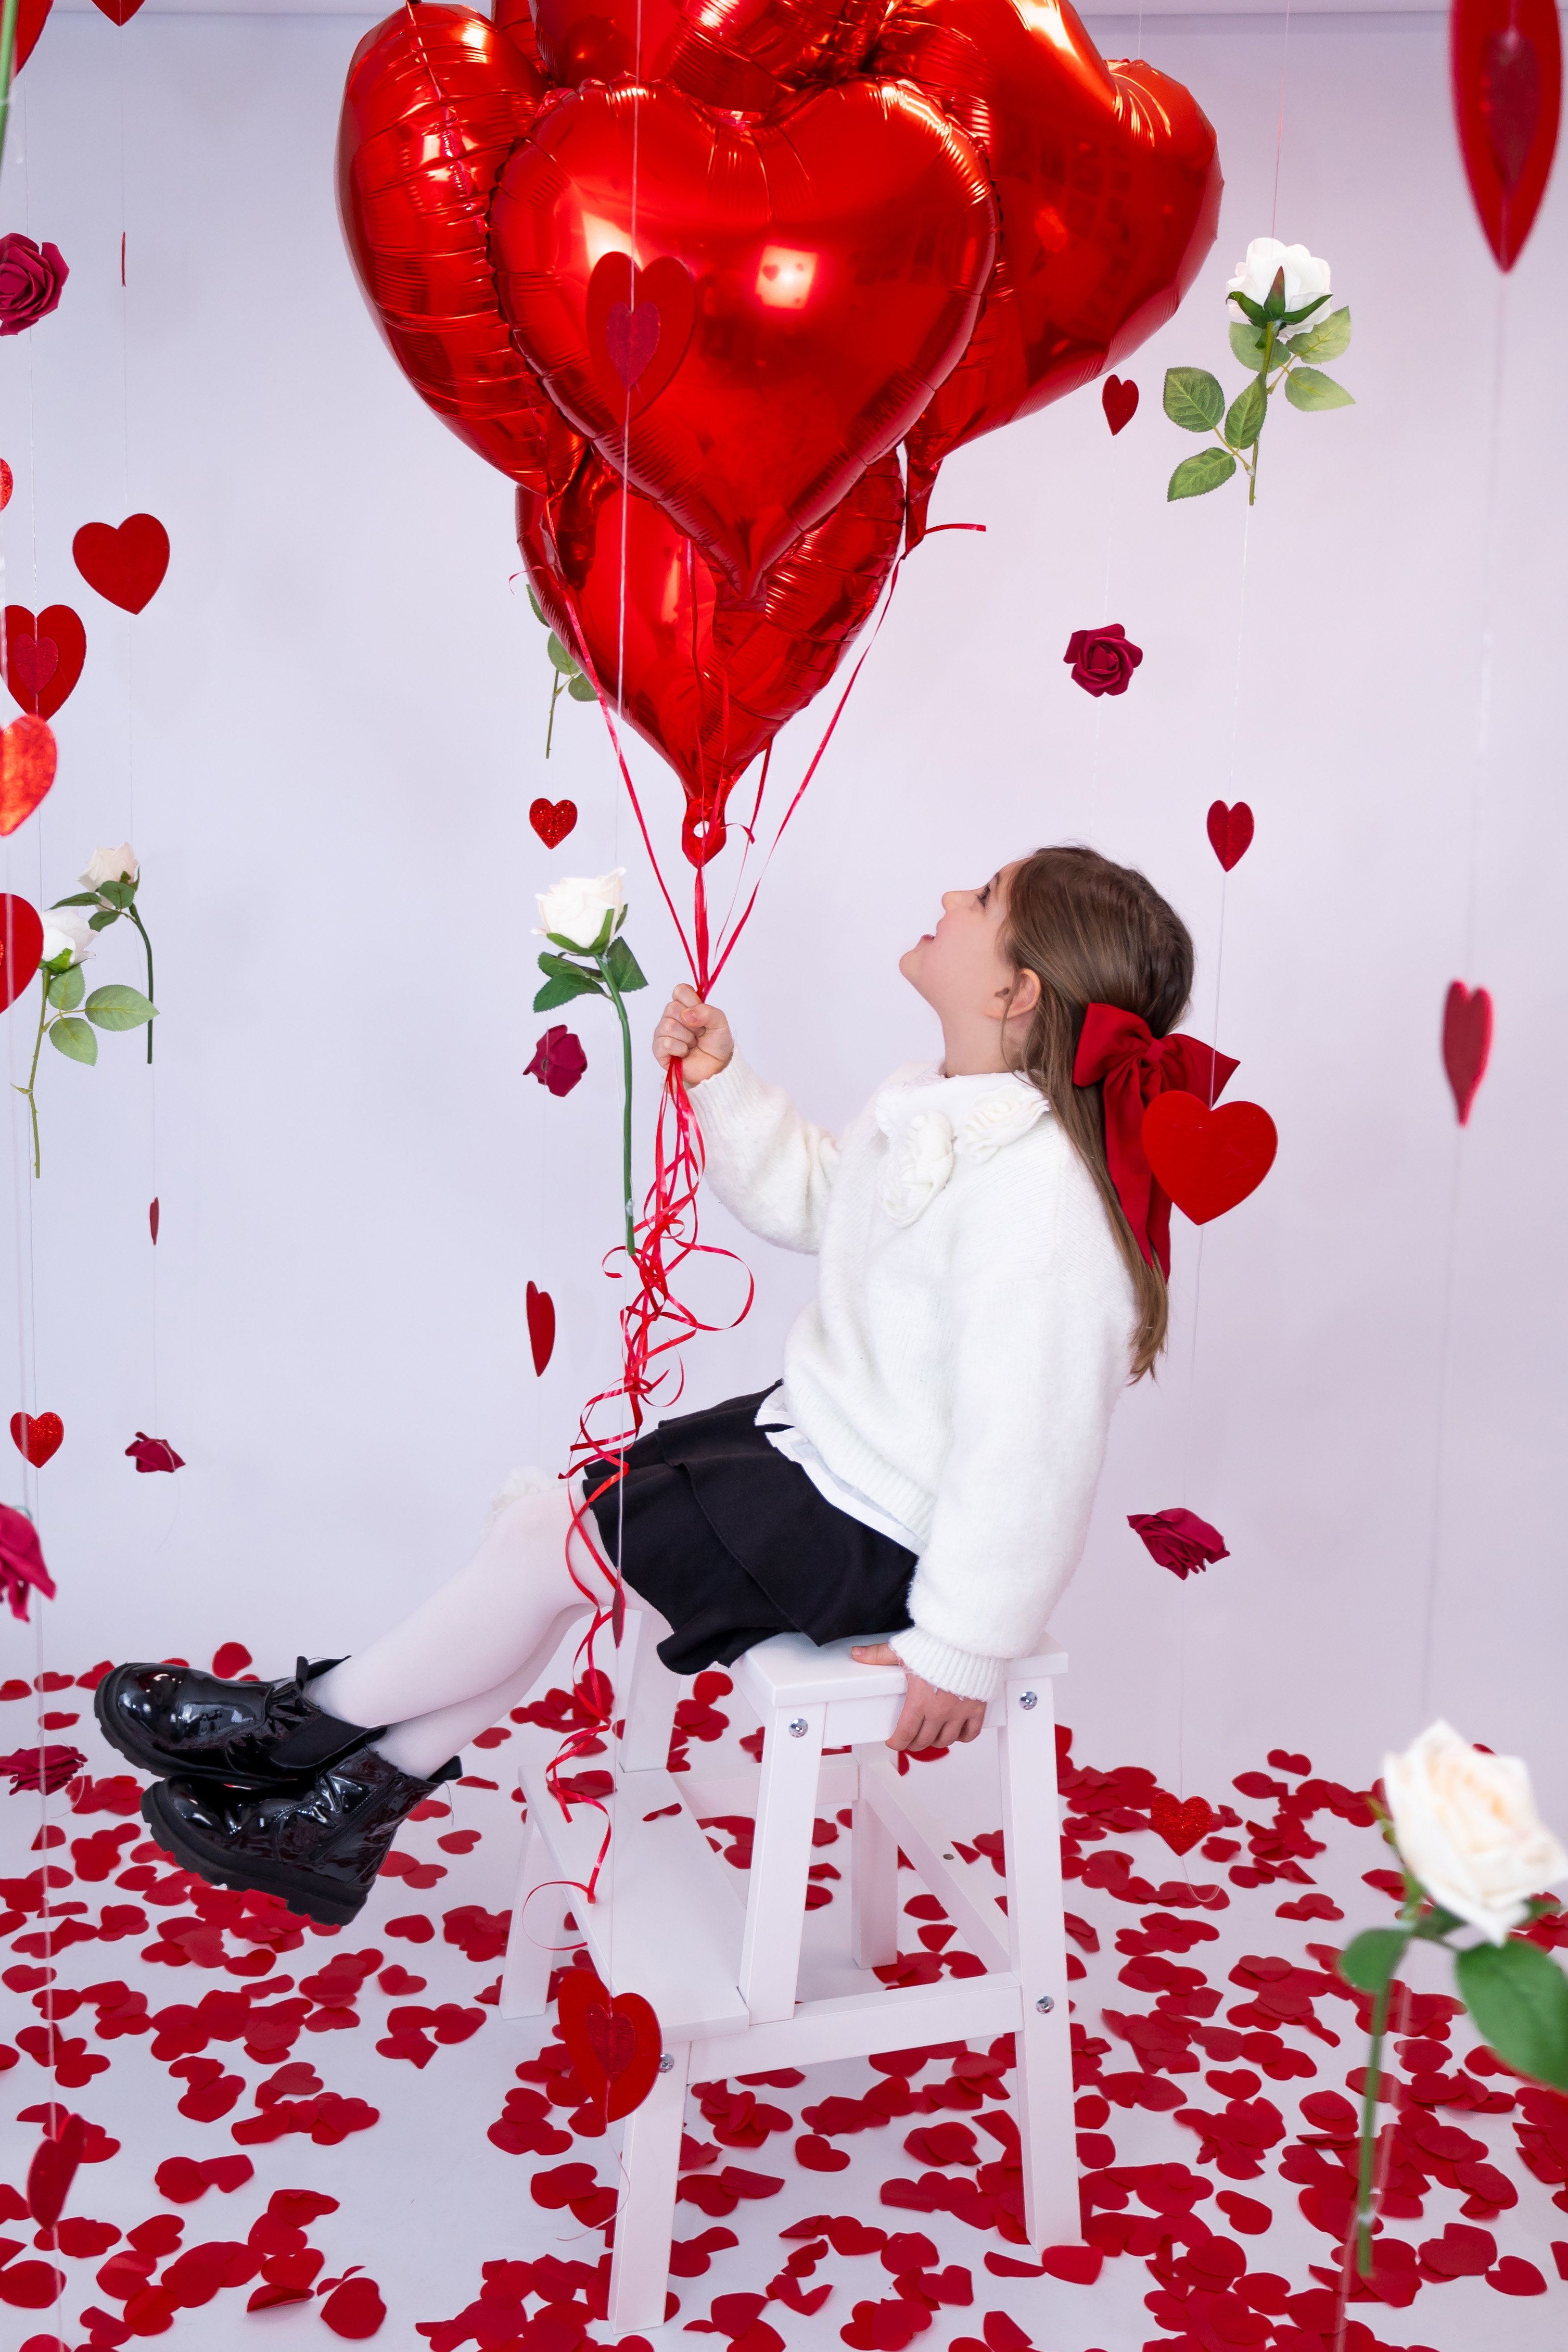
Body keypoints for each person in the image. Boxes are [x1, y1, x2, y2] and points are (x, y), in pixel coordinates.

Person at [96, 844, 1203, 1925]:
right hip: (818, 1445)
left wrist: (963, 1640)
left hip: (885, 1526)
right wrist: (727, 1085)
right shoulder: (932, 1101)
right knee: (551, 1540)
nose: (951, 892)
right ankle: (341, 1808)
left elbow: (1034, 1445)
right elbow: (825, 1203)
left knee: (547, 1544)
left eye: (985, 893)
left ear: (1016, 989)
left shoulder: (1045, 1199)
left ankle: (303, 1730)